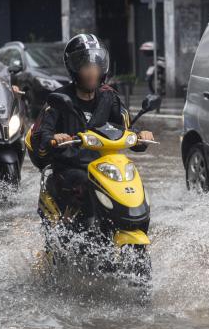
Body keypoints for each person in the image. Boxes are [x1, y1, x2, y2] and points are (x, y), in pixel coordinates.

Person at [33, 34, 154, 217]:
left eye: (96, 66)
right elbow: (41, 135)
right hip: (70, 167)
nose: (92, 72)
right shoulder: (59, 99)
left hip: (104, 166)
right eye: (86, 66)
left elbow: (124, 128)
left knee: (131, 181)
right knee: (83, 184)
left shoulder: (110, 97)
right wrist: (54, 138)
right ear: (74, 68)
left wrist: (141, 136)